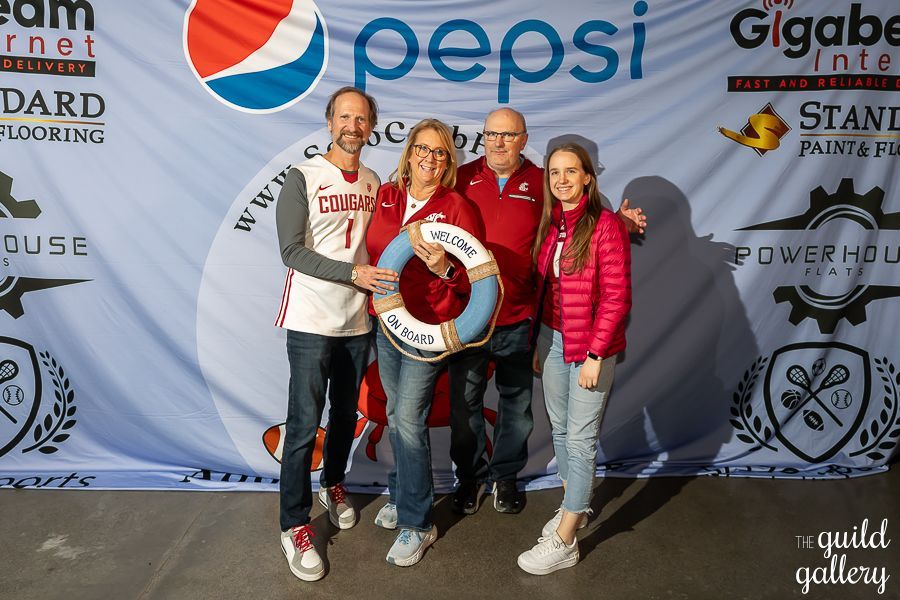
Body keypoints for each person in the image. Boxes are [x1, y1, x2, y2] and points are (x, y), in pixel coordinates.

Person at [449, 108, 646, 515]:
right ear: (482, 138)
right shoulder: (462, 178)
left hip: (521, 316)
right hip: (469, 316)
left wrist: (618, 222)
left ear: (524, 138)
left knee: (516, 408)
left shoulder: (540, 180)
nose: (499, 142)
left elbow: (578, 220)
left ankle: (505, 479)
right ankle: (469, 480)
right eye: (491, 134)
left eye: (508, 135)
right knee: (464, 404)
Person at [274, 86, 398, 582]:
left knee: (346, 413)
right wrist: (352, 275)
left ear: (371, 127)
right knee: (304, 423)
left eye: (362, 118)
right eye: (344, 117)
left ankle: (335, 484)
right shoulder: (303, 176)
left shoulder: (373, 181)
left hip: (357, 319)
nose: (353, 126)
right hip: (309, 316)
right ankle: (293, 525)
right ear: (330, 123)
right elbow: (291, 251)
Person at [365, 118, 484, 566]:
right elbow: (375, 250)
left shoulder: (457, 207)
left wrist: (444, 271)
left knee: (410, 420)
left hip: (428, 327)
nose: (430, 159)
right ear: (409, 152)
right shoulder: (389, 196)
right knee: (396, 414)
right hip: (386, 320)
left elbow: (476, 283)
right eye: (423, 149)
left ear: (448, 162)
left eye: (440, 153)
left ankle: (419, 522)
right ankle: (401, 492)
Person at [517, 143, 631, 575]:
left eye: (571, 171)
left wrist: (596, 354)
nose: (562, 179)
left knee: (580, 440)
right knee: (561, 431)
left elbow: (617, 297)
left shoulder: (605, 225)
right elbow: (545, 293)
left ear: (588, 177)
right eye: (554, 173)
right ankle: (574, 507)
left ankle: (565, 540)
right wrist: (537, 346)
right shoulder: (551, 224)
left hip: (590, 349)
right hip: (551, 341)